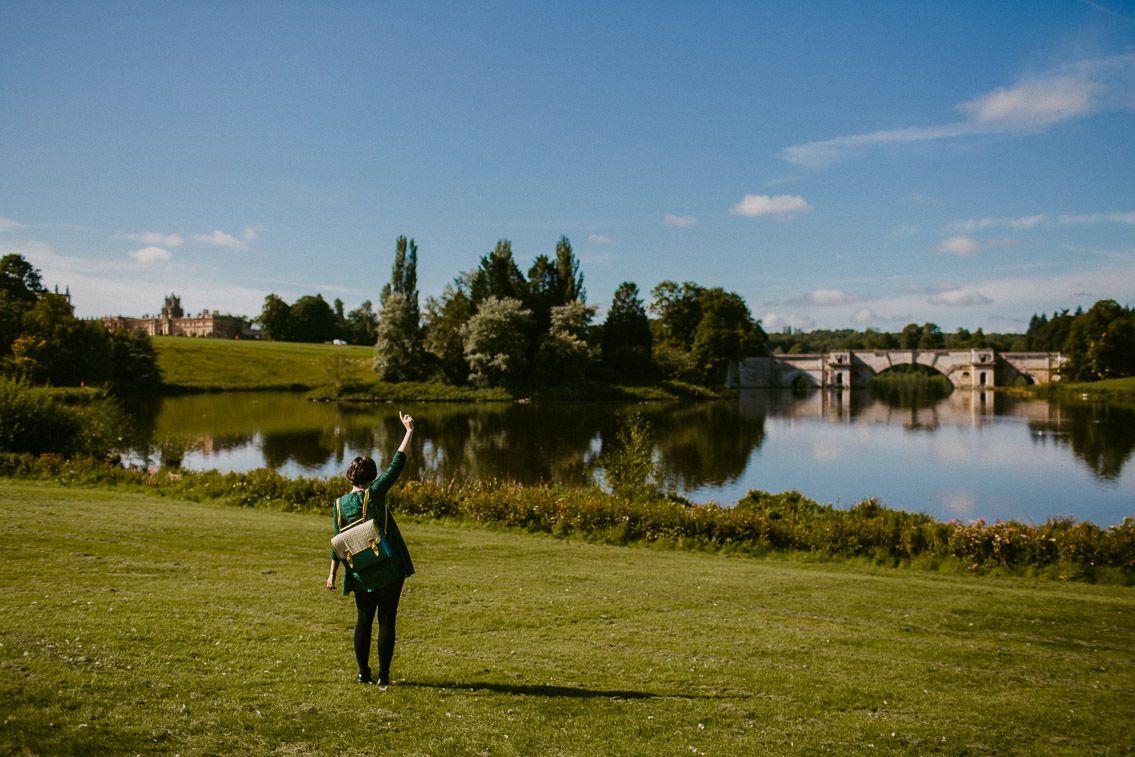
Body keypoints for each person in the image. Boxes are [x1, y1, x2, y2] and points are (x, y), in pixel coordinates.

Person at [327, 411, 416, 686]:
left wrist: (331, 574)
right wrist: (409, 431)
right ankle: (383, 677)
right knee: (387, 620)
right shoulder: (375, 493)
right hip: (388, 568)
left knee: (363, 621)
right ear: (372, 476)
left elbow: (337, 542)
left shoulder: (340, 504)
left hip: (360, 571)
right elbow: (397, 464)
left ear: (350, 476)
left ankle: (362, 673)